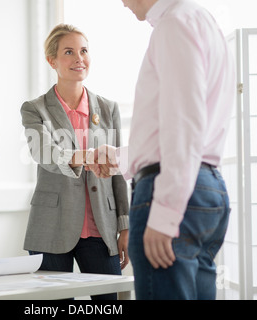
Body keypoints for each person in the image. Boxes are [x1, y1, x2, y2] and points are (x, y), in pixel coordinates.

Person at [91, 0, 236, 299]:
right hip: (204, 189)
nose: (122, 3)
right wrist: (119, 158)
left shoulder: (174, 24)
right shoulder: (200, 22)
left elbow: (184, 124)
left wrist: (166, 212)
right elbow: (187, 127)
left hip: (172, 192)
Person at [20, 24, 129, 300]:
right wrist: (88, 156)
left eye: (83, 51)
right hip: (50, 228)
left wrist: (125, 225)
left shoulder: (108, 108)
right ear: (52, 61)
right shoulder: (35, 109)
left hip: (100, 229)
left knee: (108, 304)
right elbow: (43, 152)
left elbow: (118, 173)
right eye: (69, 52)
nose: (79, 58)